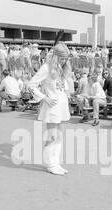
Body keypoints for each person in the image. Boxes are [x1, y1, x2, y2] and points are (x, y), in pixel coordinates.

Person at [28, 42, 72, 176]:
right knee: (52, 137)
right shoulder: (46, 68)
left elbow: (62, 87)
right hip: (52, 107)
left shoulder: (60, 68)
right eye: (62, 58)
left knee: (59, 137)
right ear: (55, 56)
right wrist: (44, 98)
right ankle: (50, 164)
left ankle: (56, 163)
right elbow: (31, 85)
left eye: (66, 59)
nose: (64, 61)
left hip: (62, 106)